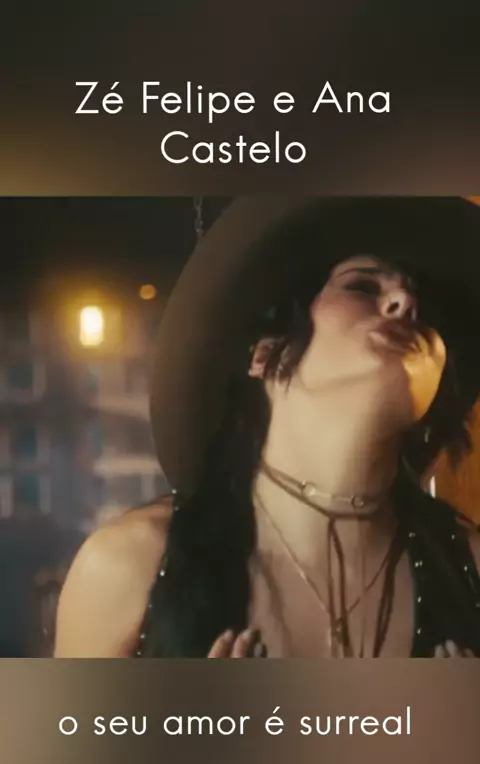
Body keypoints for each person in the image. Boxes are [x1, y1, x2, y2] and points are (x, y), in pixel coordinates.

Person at [54, 196, 480, 659]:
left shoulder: (471, 571)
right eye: (362, 286)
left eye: (425, 310)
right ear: (264, 352)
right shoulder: (129, 565)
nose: (406, 303)